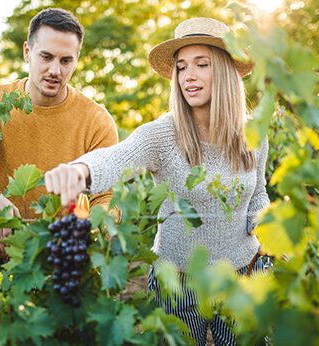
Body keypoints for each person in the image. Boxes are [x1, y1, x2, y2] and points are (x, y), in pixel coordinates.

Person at [44, 17, 270, 345]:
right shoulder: (163, 134)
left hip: (242, 276)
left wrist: (269, 228)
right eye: (181, 67)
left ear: (223, 70)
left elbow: (258, 193)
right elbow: (115, 158)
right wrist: (80, 171)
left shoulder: (253, 135)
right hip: (175, 282)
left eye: (201, 64)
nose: (188, 76)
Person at [0, 8, 118, 255]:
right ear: (27, 52)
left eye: (66, 60)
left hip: (65, 258)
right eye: (46, 57)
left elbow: (106, 197)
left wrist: (86, 227)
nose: (55, 70)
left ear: (77, 58)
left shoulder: (97, 121)